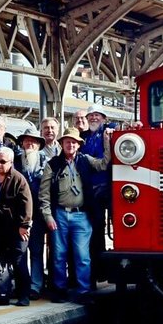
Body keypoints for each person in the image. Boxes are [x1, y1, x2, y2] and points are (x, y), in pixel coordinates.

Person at [39, 127, 111, 304]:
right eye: (67, 142)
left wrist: (107, 143)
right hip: (60, 215)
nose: (70, 145)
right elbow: (44, 194)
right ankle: (59, 289)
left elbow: (104, 164)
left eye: (74, 142)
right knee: (58, 255)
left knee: (82, 256)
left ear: (79, 145)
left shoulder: (85, 160)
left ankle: (84, 291)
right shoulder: (52, 164)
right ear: (61, 143)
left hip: (81, 215)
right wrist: (48, 216)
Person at [0, 147, 33, 306]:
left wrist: (24, 225)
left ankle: (24, 295)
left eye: (2, 161)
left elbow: (27, 204)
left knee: (19, 260)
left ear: (11, 162)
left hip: (16, 227)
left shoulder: (18, 179)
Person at [13, 128, 49, 299]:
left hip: (38, 215)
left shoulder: (46, 162)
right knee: (20, 252)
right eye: (27, 141)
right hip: (19, 216)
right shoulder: (15, 162)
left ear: (39, 145)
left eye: (33, 141)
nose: (30, 144)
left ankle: (36, 286)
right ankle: (21, 285)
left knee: (36, 251)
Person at [81, 105, 113, 284]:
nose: (93, 118)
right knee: (95, 232)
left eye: (97, 115)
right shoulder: (85, 137)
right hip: (91, 190)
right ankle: (98, 271)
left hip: (108, 186)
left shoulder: (109, 131)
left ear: (103, 118)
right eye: (91, 115)